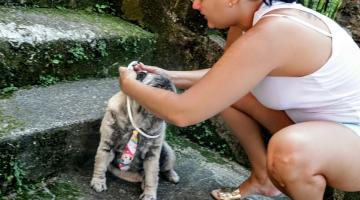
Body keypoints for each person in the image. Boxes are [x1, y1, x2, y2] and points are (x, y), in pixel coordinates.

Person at [118, 0, 360, 199]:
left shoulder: (276, 32)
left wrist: (129, 85)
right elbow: (227, 77)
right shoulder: (249, 22)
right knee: (226, 94)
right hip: (316, 128)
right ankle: (262, 178)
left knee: (291, 151)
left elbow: (184, 113)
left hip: (351, 142)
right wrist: (169, 76)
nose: (195, 5)